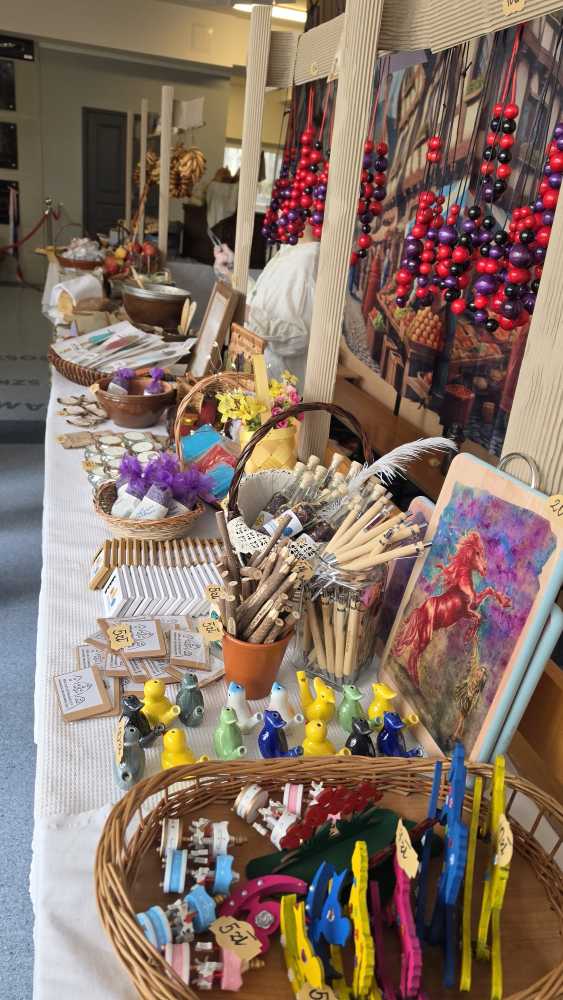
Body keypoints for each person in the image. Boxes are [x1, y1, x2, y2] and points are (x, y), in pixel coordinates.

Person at [246, 226, 320, 390]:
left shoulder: (307, 260)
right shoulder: (289, 251)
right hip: (260, 380)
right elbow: (262, 302)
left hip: (280, 390)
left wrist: (251, 316)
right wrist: (230, 270)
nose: (278, 214)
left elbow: (299, 339)